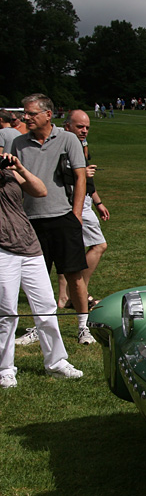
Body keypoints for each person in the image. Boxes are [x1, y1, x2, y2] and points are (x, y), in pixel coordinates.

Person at [8, 93, 95, 346]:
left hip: (63, 217)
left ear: (48, 114)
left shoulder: (67, 139)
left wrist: (76, 215)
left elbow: (81, 177)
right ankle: (40, 325)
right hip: (31, 221)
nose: (26, 117)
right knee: (37, 280)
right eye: (25, 113)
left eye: (31, 113)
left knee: (74, 275)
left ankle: (83, 326)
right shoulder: (18, 143)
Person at [0, 153, 84, 388]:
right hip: (3, 250)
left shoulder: (8, 172)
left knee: (46, 305)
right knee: (7, 311)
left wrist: (19, 168)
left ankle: (57, 362)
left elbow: (40, 190)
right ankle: (5, 369)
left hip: (28, 245)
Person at [58, 110, 109, 311]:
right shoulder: (61, 144)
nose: (84, 131)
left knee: (69, 251)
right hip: (71, 202)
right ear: (67, 125)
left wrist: (98, 202)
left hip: (84, 200)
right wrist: (78, 174)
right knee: (99, 245)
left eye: (87, 127)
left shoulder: (80, 145)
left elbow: (87, 179)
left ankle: (67, 295)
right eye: (80, 127)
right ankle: (78, 292)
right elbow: (55, 175)